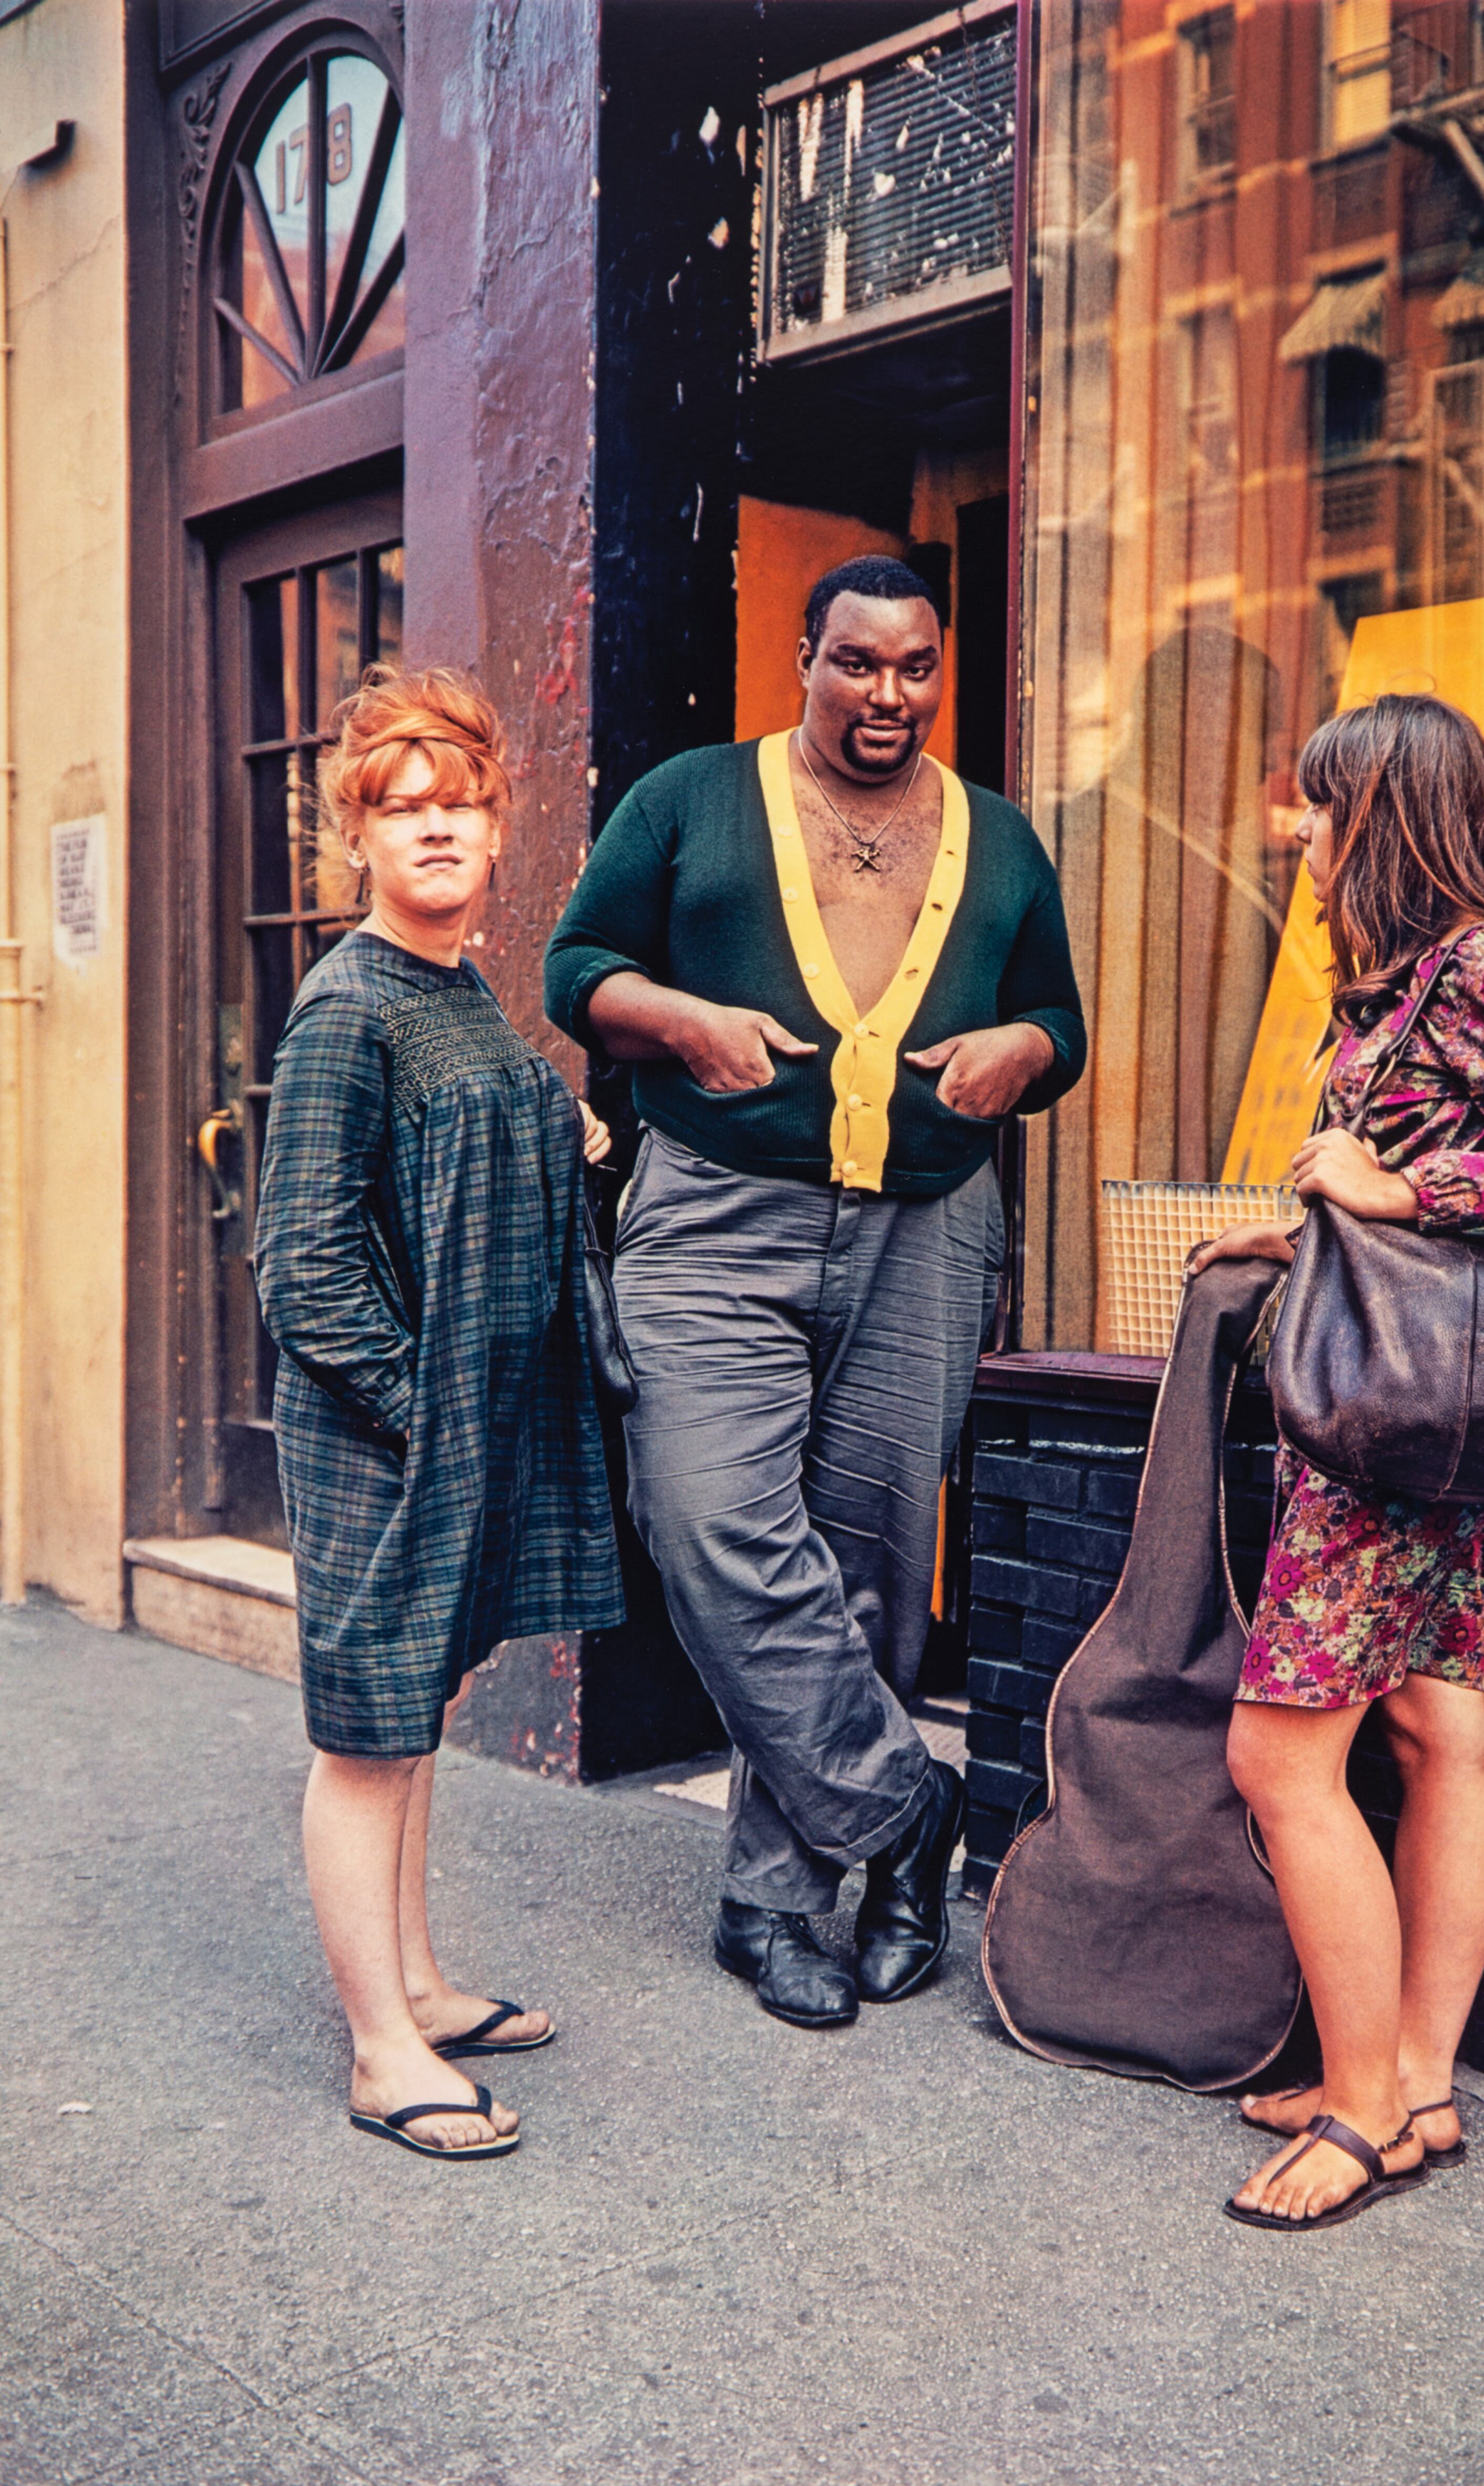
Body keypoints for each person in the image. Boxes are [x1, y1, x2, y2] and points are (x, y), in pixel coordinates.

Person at [544, 555, 1086, 2028]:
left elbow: (1061, 1019)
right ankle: (906, 1811)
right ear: (804, 659)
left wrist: (1015, 1058)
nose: (886, 696)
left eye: (914, 668)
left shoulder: (999, 837)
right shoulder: (688, 799)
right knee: (711, 1518)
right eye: (856, 664)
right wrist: (676, 1023)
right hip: (718, 1214)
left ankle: (776, 1902)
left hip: (926, 1226)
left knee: (867, 1557)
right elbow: (575, 966)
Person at [1194, 692, 1484, 2230]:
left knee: (1281, 1754)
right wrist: (1312, 1218)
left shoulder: (1479, 969)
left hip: (1396, 1437)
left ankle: (1365, 2106)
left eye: (1320, 809)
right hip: (1421, 1406)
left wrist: (1393, 1183)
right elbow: (1399, 1185)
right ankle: (1419, 2080)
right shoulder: (1392, 985)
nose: (1300, 836)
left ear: (1383, 815)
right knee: (1440, 1727)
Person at [256, 667, 624, 2159]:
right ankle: (378, 2048)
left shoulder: (461, 984)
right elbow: (303, 1266)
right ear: (355, 834)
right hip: (381, 1440)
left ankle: (414, 1978)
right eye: (401, 808)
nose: (436, 830)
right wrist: (424, 1416)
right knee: (363, 1736)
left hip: (447, 1433)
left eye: (460, 803)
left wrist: (567, 1123)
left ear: (498, 823)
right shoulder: (347, 1007)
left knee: (414, 1719)